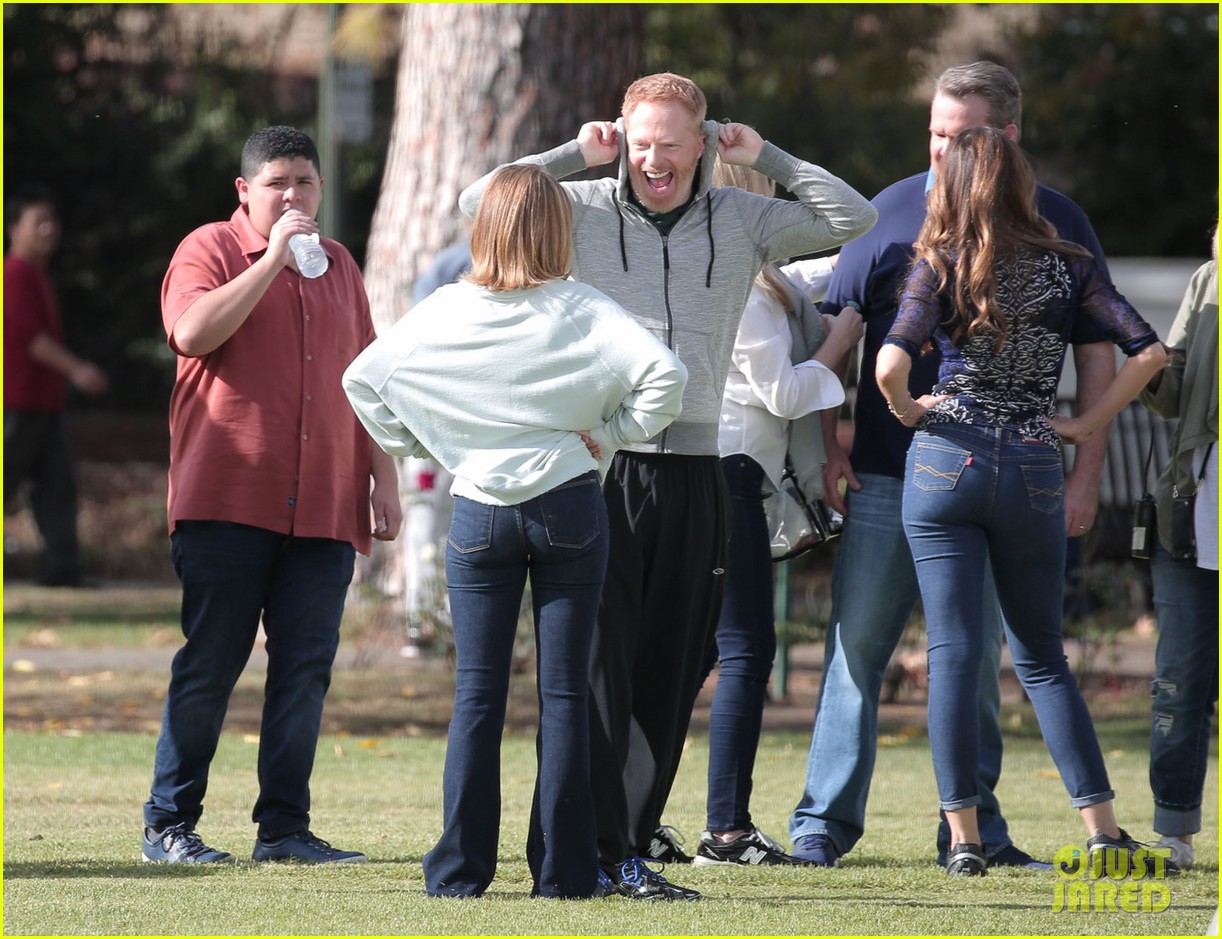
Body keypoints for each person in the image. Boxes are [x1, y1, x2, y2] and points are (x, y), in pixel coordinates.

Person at [459, 72, 876, 899]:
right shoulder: (581, 211)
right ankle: (588, 852)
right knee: (598, 675)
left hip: (700, 471)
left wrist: (770, 156)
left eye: (671, 142)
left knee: (670, 674)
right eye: (641, 140)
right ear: (622, 134)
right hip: (601, 468)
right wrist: (576, 152)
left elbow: (852, 220)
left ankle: (622, 844)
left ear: (703, 142)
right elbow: (482, 201)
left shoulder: (743, 219)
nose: (655, 157)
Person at [788, 60, 1117, 870]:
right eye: (933, 132)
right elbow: (844, 332)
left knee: (968, 666)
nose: (940, 150)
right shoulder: (887, 211)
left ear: (1008, 133)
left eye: (958, 135)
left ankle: (973, 836)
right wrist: (830, 442)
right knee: (857, 649)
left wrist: (1086, 467)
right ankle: (822, 826)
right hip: (889, 473)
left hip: (1001, 481)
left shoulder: (1060, 219)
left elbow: (1102, 353)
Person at [345, 164, 687, 899]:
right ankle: (563, 874)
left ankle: (459, 872)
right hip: (568, 503)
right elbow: (667, 378)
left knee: (477, 696)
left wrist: (430, 446)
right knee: (564, 696)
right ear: (560, 230)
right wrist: (612, 431)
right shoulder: (582, 308)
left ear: (484, 228)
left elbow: (362, 381)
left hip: (477, 511)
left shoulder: (444, 308)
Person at [876, 124, 1170, 875]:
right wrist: (1085, 423)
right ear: (1022, 184)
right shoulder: (1068, 264)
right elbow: (1150, 352)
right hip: (1035, 464)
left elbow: (888, 366)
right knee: (1041, 657)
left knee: (952, 654)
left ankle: (966, 842)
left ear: (954, 186)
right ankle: (1103, 830)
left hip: (945, 460)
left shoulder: (937, 261)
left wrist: (913, 413)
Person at [142, 125, 402, 865]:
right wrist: (273, 260)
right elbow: (191, 332)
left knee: (305, 669)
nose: (294, 196)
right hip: (228, 498)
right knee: (212, 663)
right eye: (279, 182)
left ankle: (285, 829)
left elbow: (366, 378)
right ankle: (169, 824)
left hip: (324, 503)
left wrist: (381, 476)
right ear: (245, 190)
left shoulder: (340, 265)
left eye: (307, 183)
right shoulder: (208, 250)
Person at [693, 160, 862, 867]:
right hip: (731, 479)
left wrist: (873, 256)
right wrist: (840, 341)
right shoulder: (753, 294)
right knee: (745, 652)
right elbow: (786, 393)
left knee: (691, 654)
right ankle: (726, 830)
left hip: (711, 473)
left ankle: (634, 817)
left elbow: (817, 271)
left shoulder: (748, 275)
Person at [1139, 224, 1218, 873]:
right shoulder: (1208, 278)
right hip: (1193, 507)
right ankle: (1175, 831)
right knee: (1181, 679)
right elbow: (1175, 389)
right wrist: (1143, 358)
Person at [3, 186, 109, 587]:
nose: (49, 230)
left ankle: (61, 570)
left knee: (57, 489)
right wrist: (78, 369)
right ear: (14, 228)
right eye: (38, 222)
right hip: (16, 402)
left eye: (52, 222)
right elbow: (31, 339)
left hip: (42, 404)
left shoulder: (36, 275)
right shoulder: (13, 273)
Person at [398, 236, 471, 657]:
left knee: (473, 522)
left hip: (482, 426)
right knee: (425, 521)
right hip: (433, 421)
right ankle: (420, 622)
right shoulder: (453, 264)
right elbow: (417, 333)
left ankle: (458, 623)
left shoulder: (533, 264)